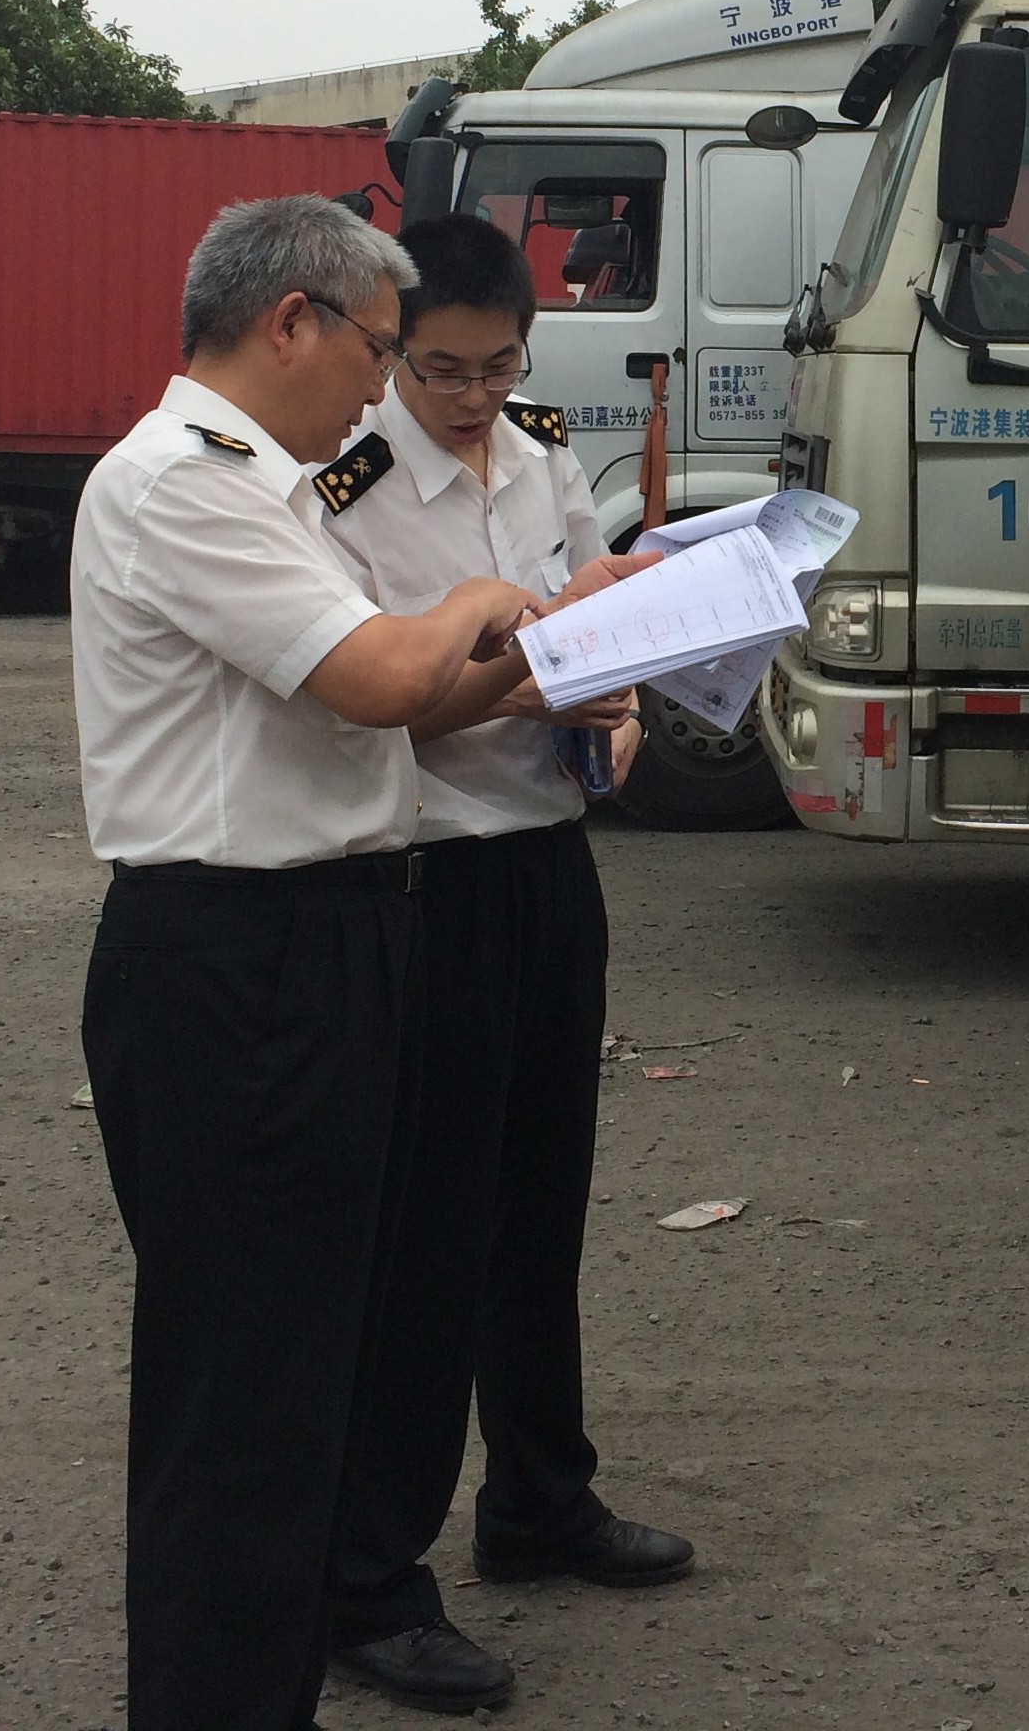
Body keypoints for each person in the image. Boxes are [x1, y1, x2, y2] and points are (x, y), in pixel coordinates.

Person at [70, 193, 546, 1731]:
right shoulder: (185, 483)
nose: (381, 386)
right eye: (380, 350)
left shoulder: (266, 491)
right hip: (240, 960)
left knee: (307, 1372)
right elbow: (388, 675)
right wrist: (479, 602)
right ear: (293, 322)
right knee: (244, 1402)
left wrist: (560, 652)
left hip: (324, 943)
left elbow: (402, 708)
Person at [319, 213, 691, 1716]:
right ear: (392, 352)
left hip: (548, 867)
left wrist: (619, 707)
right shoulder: (343, 490)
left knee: (542, 1205)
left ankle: (540, 1498)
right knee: (431, 1238)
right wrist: (529, 680)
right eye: (443, 371)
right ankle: (370, 1580)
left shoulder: (541, 453)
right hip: (430, 880)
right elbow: (365, 704)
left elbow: (601, 608)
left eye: (500, 368)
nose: (474, 398)